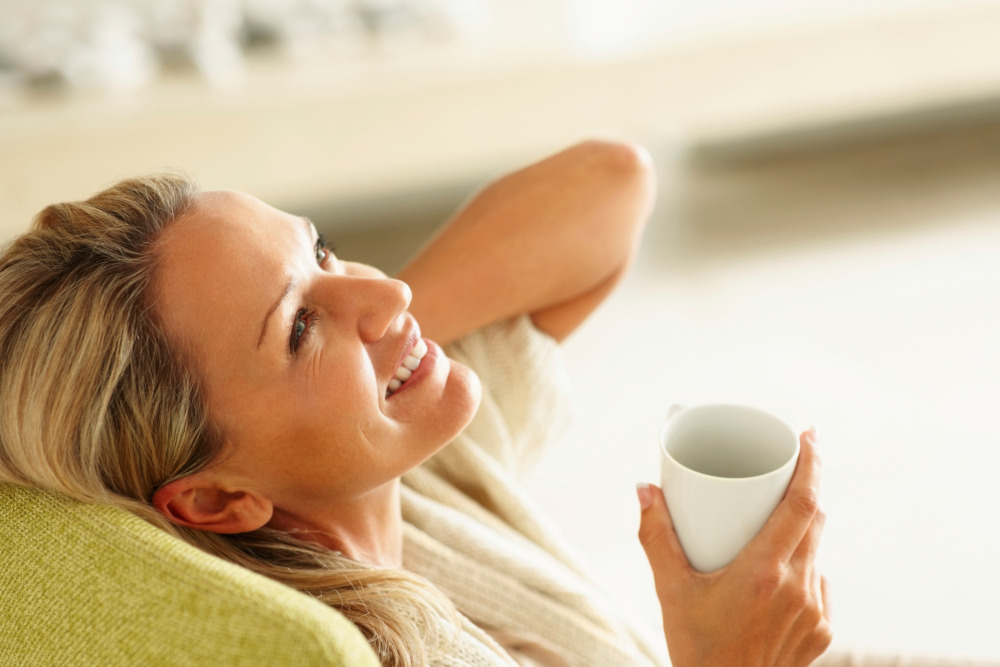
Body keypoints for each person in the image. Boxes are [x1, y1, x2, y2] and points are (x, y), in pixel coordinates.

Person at [0, 140, 979, 667]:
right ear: (212, 502)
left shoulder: (406, 483)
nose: (385, 292)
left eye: (324, 248)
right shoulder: (375, 648)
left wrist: (382, 354)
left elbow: (610, 184)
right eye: (298, 327)